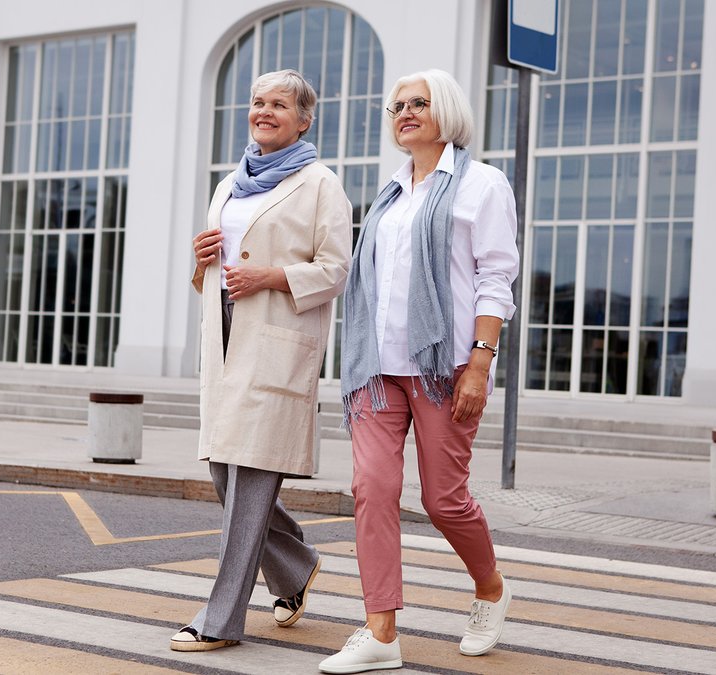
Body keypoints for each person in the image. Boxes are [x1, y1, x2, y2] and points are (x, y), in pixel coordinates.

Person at [319, 69, 519, 674]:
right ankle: (380, 631)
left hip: (445, 366)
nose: (403, 112)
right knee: (371, 490)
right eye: (396, 106)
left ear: (447, 111)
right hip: (377, 368)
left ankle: (490, 589)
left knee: (443, 499)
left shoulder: (482, 185)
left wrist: (480, 364)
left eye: (417, 103)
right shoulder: (390, 192)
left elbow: (495, 277)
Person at [171, 69, 353, 652]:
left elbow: (336, 270)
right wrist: (200, 260)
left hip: (275, 349)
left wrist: (271, 276)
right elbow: (213, 270)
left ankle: (220, 620)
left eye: (279, 104)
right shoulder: (229, 184)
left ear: (304, 119)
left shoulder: (322, 184)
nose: (264, 111)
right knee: (226, 479)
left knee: (248, 485)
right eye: (257, 102)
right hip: (225, 346)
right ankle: (295, 567)